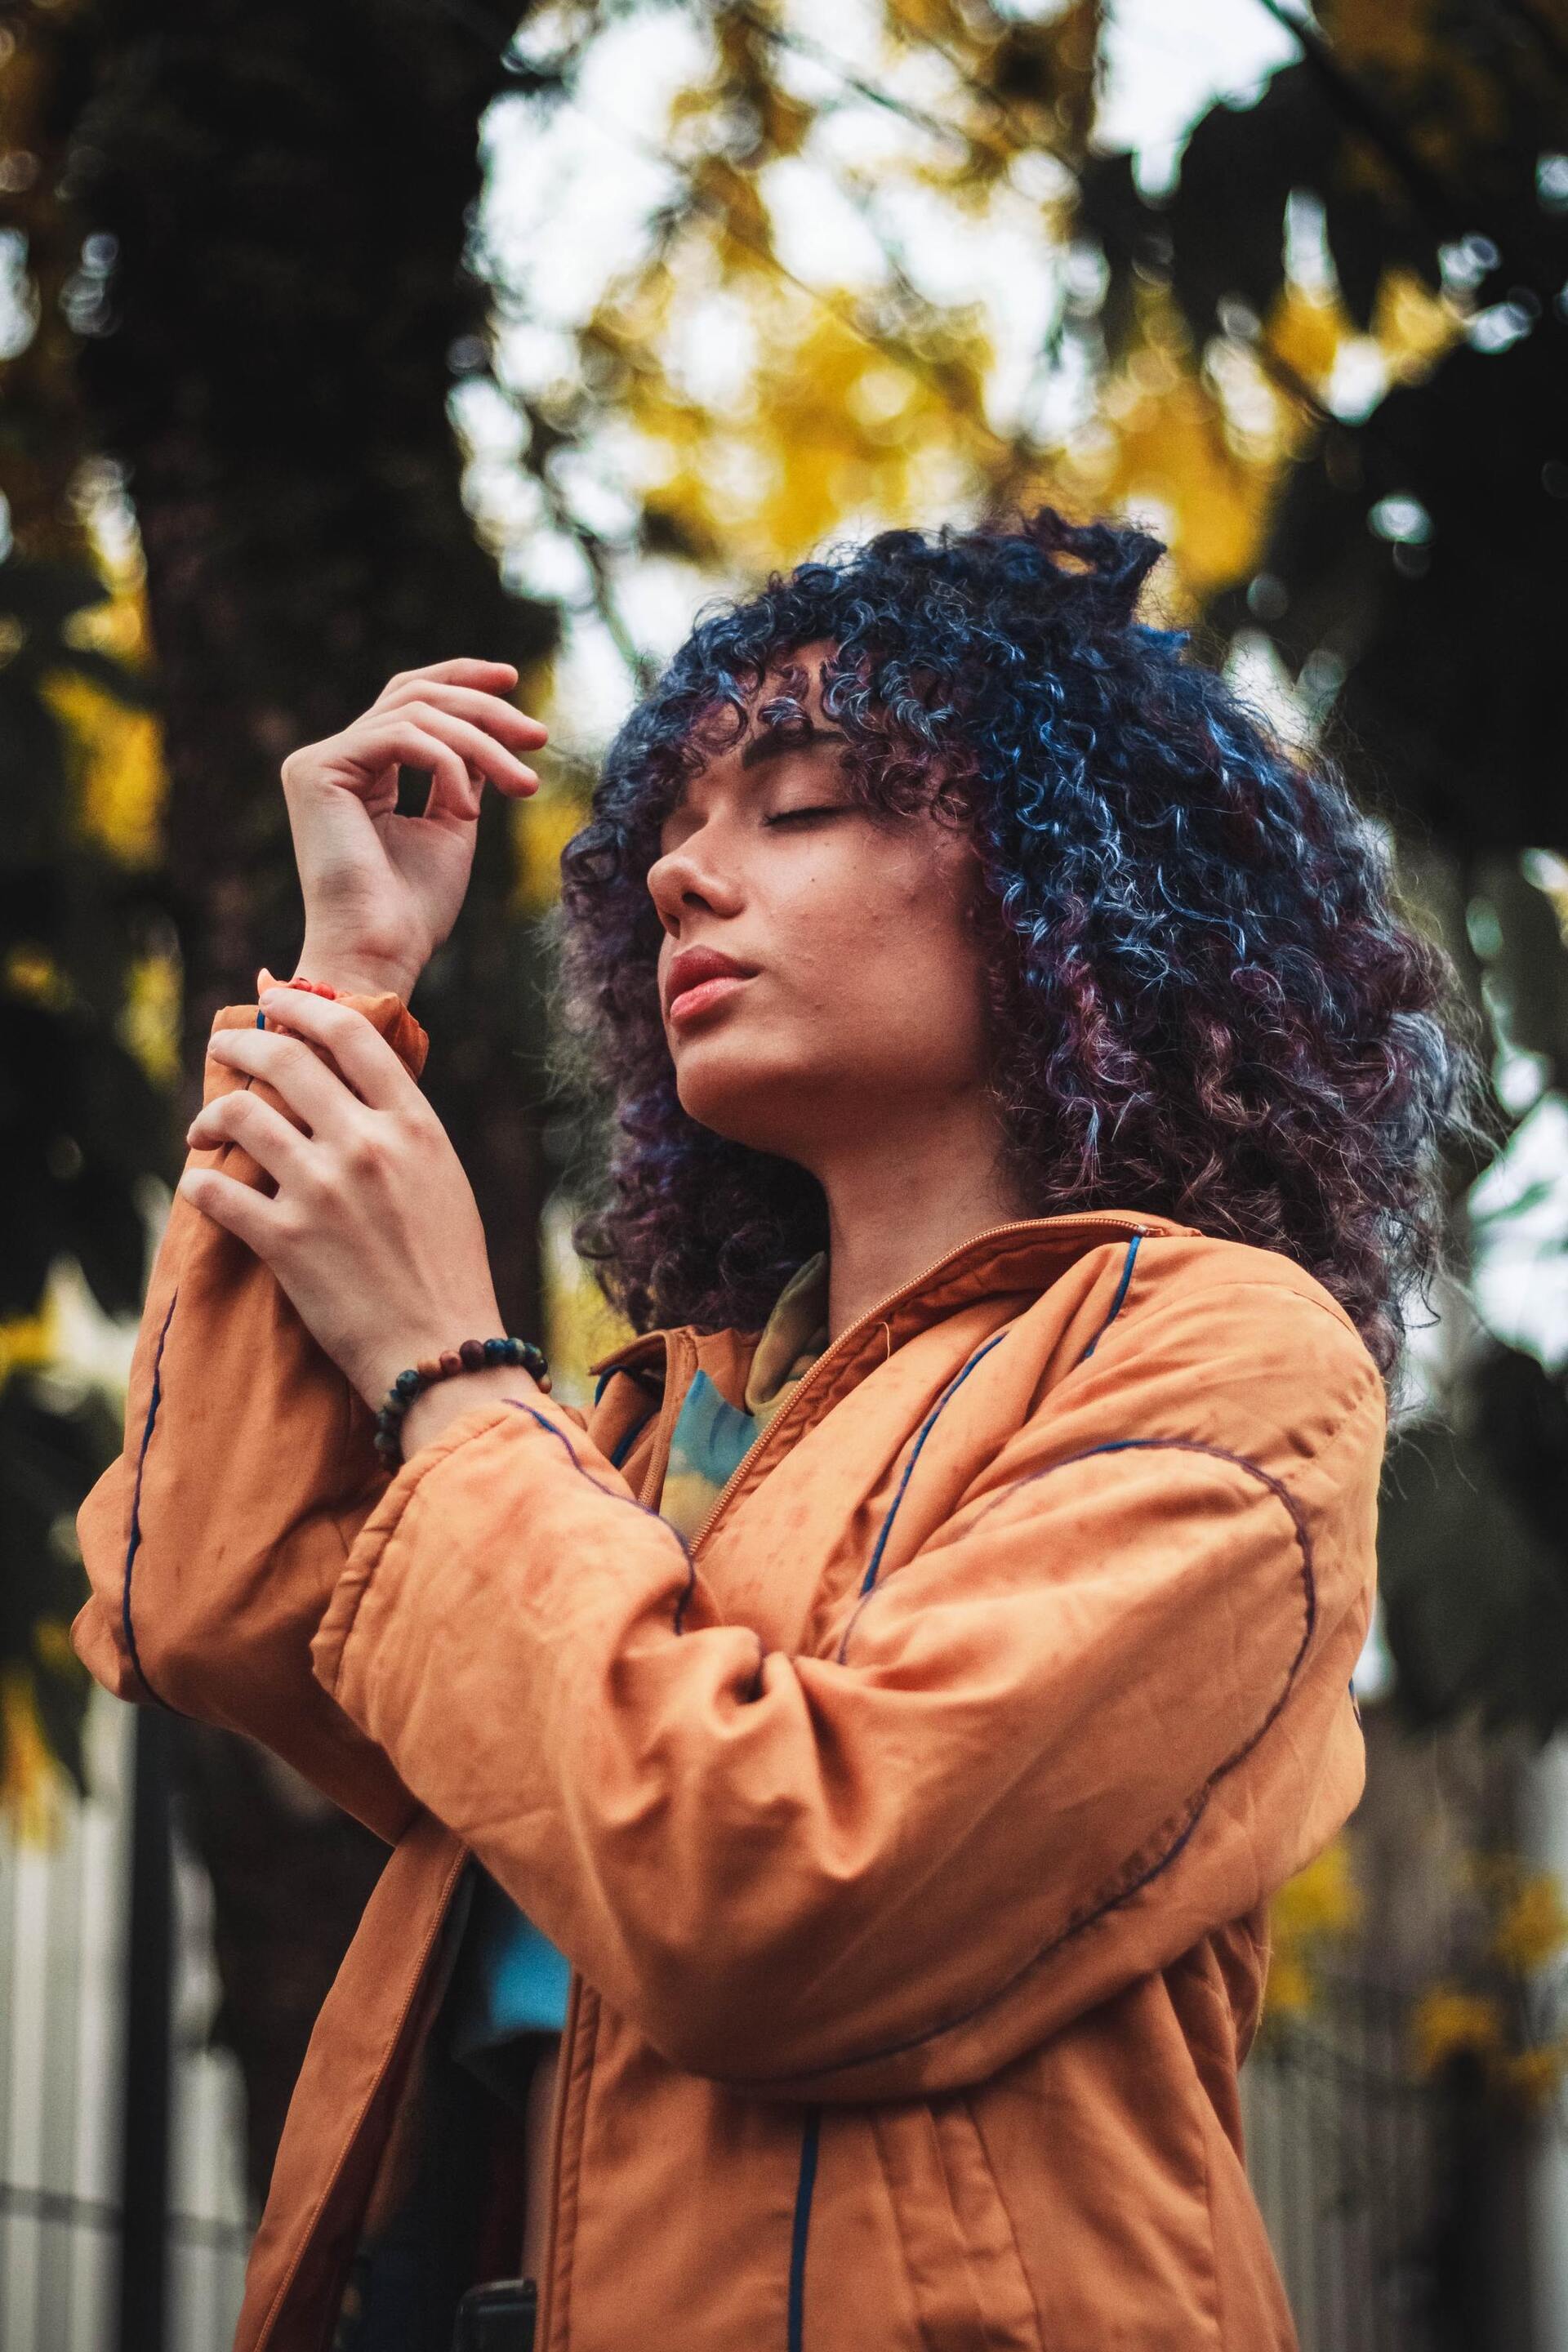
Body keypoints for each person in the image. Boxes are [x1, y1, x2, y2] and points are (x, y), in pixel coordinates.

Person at [76, 507, 1473, 2352]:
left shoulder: (1228, 1360)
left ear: (1070, 891)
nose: (680, 879)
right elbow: (213, 1598)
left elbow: (784, 1899)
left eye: (798, 808)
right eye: (669, 833)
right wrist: (351, 980)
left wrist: (450, 1372)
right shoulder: (663, 1431)